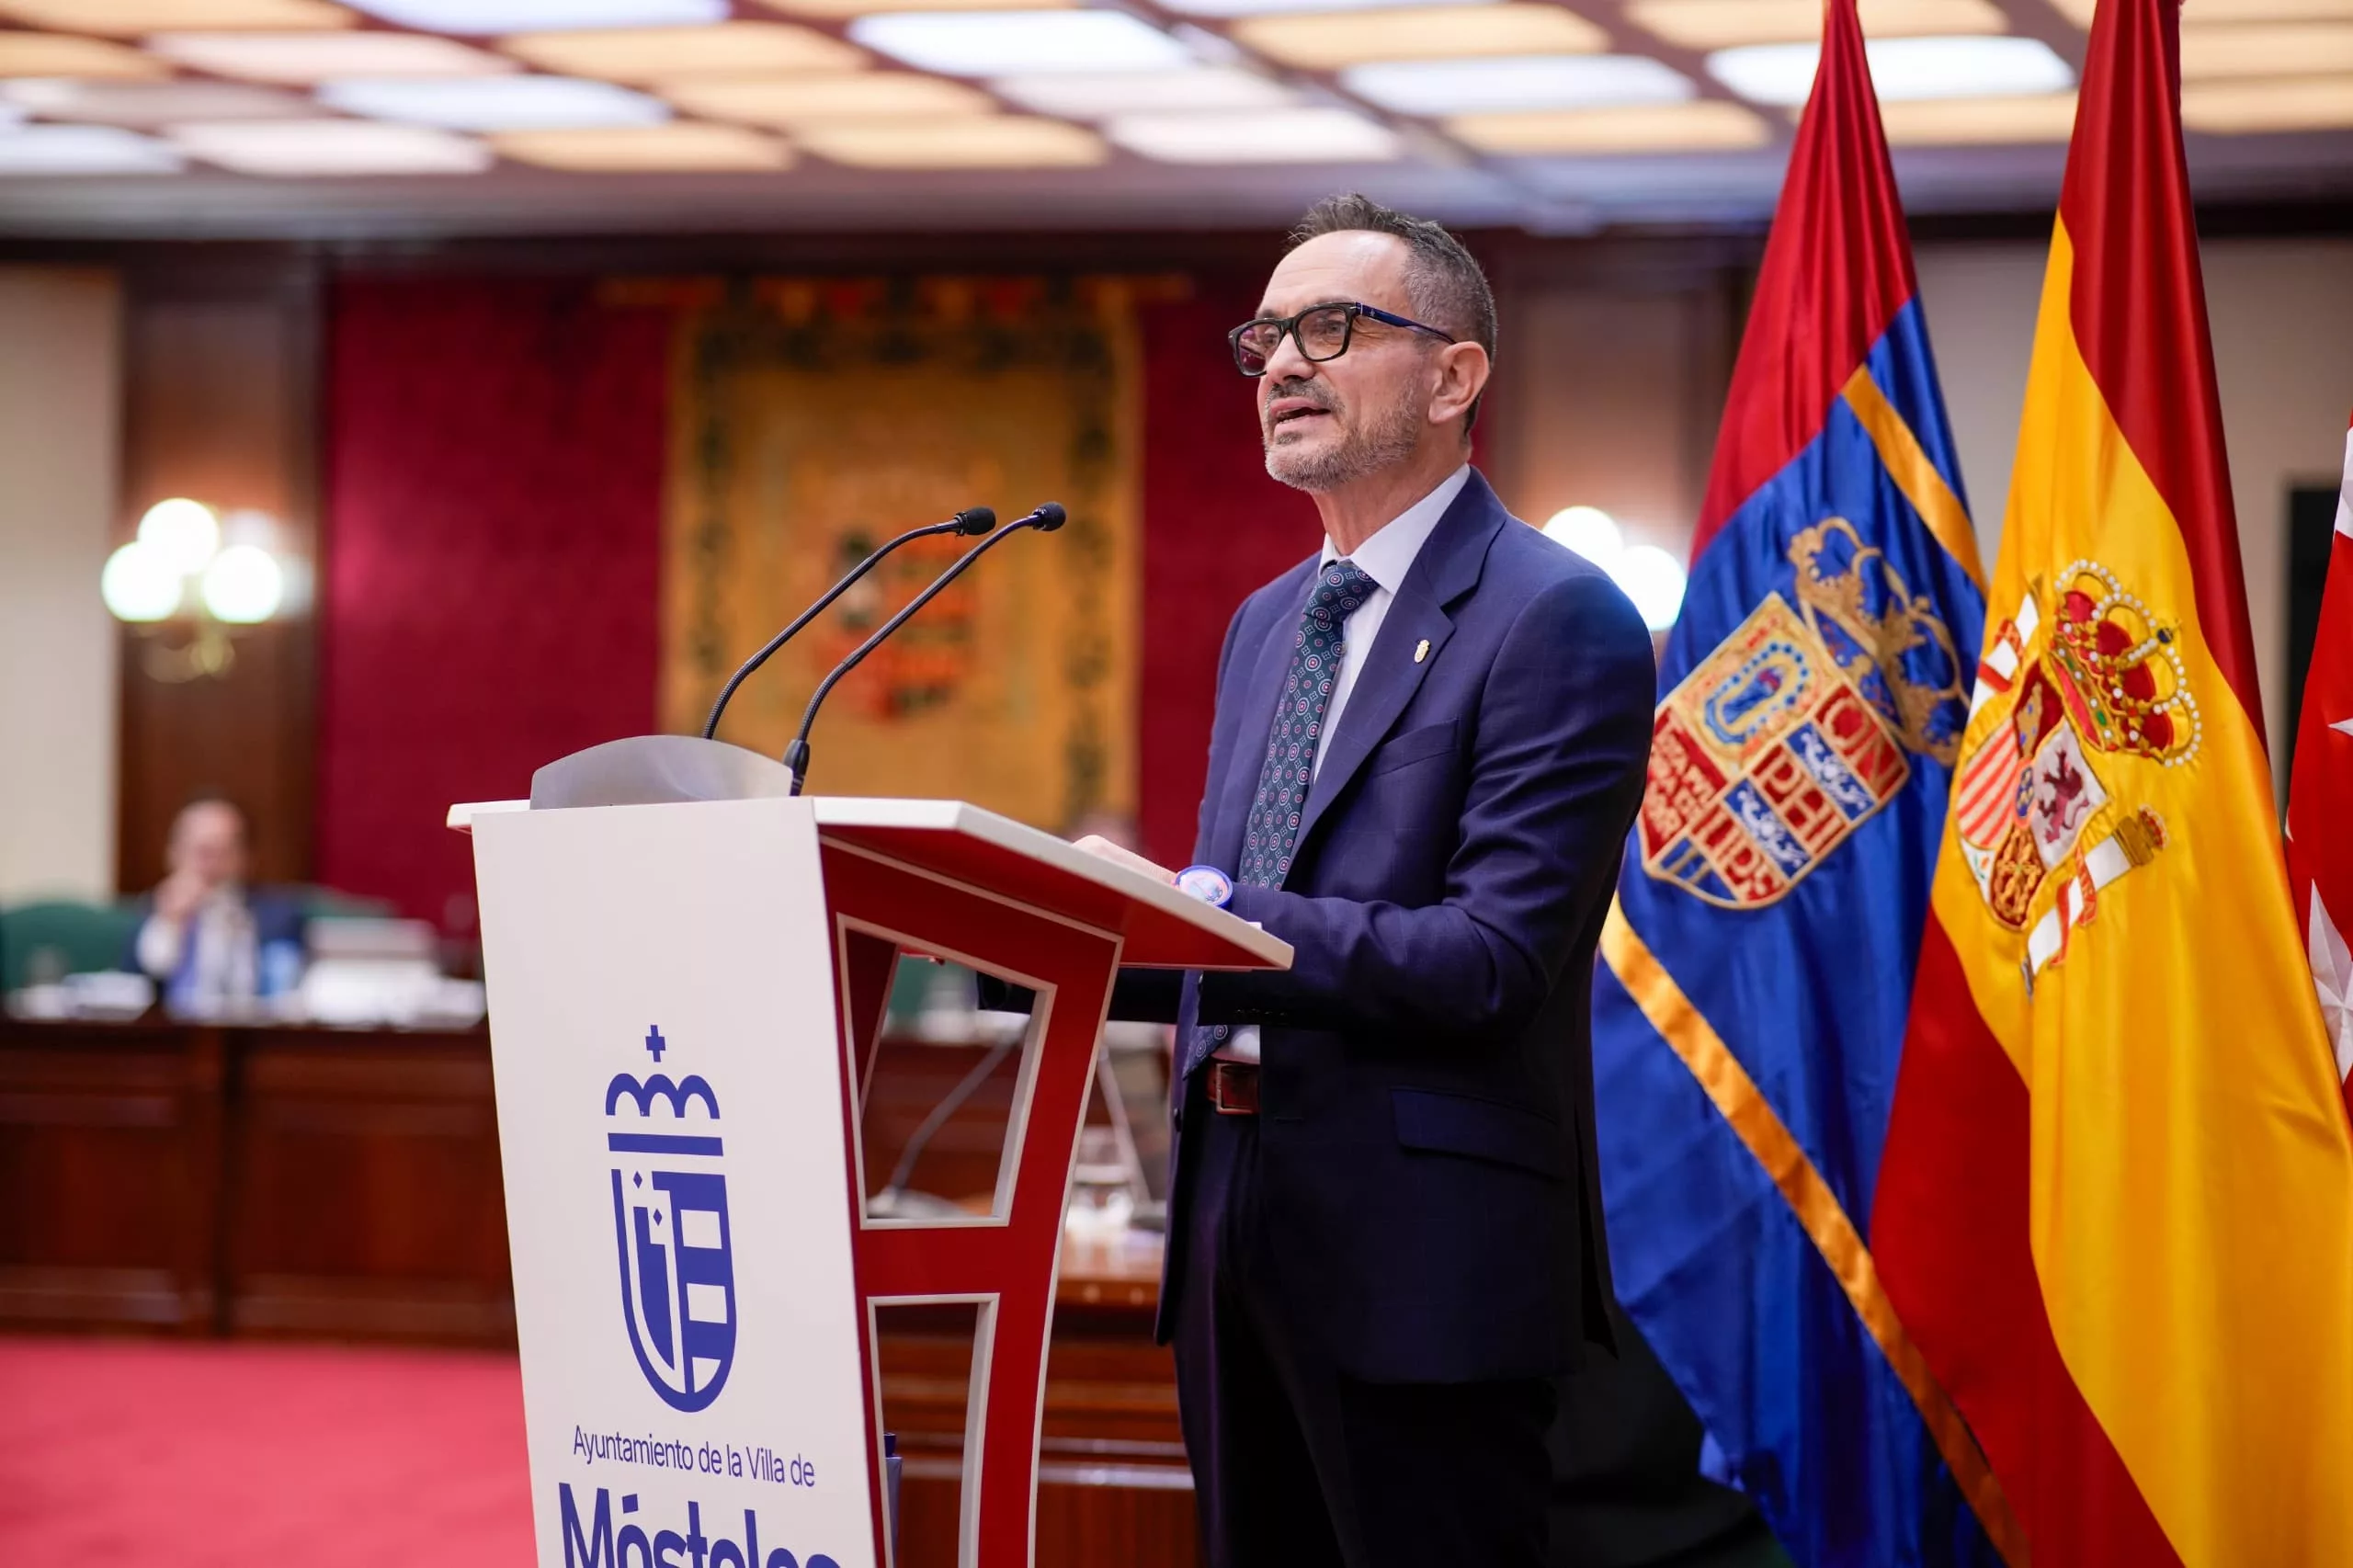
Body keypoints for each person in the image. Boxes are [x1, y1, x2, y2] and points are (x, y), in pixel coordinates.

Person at [1074, 195, 1657, 1566]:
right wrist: (1057, 925)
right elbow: (1234, 936)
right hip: (1228, 1232)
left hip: (1425, 1263)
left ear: (1457, 377)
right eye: (1267, 335)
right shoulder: (1268, 623)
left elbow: (1491, 958)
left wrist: (1195, 904)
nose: (1282, 363)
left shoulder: (1553, 613)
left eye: (1331, 328)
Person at [127, 795, 305, 1012]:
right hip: (175, 1037)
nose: (211, 865)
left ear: (245, 858)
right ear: (173, 854)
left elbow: (293, 988)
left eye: (224, 851)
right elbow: (134, 984)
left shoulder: (279, 916)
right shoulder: (152, 910)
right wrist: (170, 922)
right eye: (202, 851)